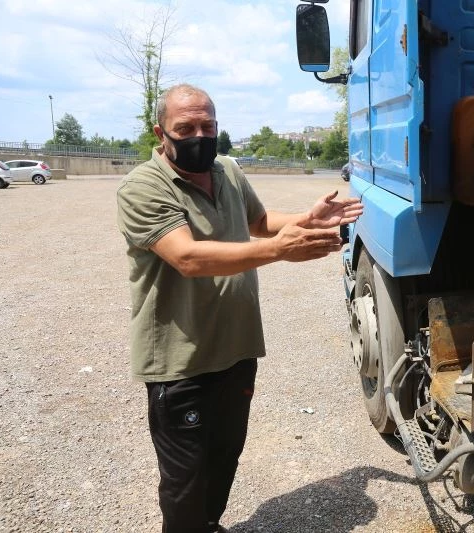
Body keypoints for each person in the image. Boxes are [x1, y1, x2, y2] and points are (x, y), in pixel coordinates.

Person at [115, 83, 362, 532]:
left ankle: (209, 525)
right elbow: (188, 257)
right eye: (185, 127)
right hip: (181, 361)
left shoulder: (227, 169)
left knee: (224, 457)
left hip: (237, 349)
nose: (199, 135)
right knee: (185, 480)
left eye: (207, 125)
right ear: (161, 132)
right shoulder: (143, 187)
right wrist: (281, 251)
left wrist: (307, 221)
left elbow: (260, 222)